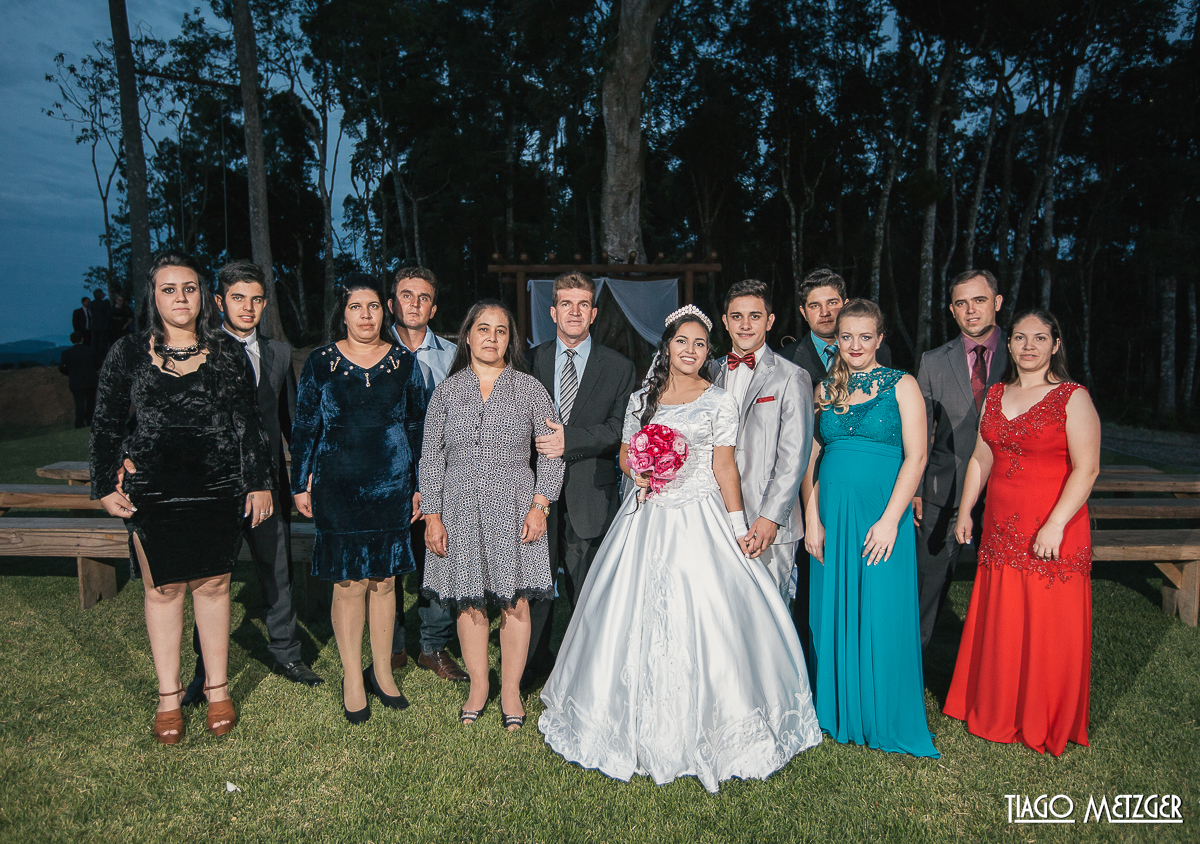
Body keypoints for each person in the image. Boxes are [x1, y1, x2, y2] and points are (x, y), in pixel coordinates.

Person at [539, 305, 822, 793]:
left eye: (699, 344)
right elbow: (627, 451)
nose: (690, 351)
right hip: (647, 513)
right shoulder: (641, 400)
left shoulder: (718, 402)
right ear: (666, 346)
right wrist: (640, 472)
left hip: (701, 517)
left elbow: (725, 469)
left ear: (706, 351)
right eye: (681, 342)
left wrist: (738, 526)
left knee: (712, 614)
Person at [90, 250, 273, 744]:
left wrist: (257, 482)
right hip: (153, 490)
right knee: (163, 589)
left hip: (217, 487)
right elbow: (105, 424)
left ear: (202, 295)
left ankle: (217, 689)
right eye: (169, 289)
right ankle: (168, 697)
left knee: (213, 588)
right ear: (153, 296)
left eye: (189, 288)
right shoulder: (127, 353)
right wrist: (105, 483)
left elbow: (248, 424)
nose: (180, 298)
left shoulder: (228, 351)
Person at [943, 309, 1100, 756]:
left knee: (1048, 622)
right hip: (1000, 527)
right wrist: (966, 510)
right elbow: (980, 460)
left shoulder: (1073, 397)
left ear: (1055, 344)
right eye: (1019, 338)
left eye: (1039, 338)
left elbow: (1087, 470)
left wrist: (1055, 523)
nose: (1028, 346)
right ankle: (998, 706)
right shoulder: (995, 394)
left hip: (1054, 525)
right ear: (1007, 344)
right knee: (1005, 615)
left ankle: (1041, 714)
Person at [165, 261, 321, 705]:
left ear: (264, 303)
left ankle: (287, 652)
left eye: (255, 299)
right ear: (219, 302)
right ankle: (204, 670)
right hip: (214, 485)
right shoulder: (201, 351)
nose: (247, 307)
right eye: (237, 298)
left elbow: (289, 419)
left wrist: (303, 473)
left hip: (268, 482)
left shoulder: (276, 352)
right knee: (209, 578)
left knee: (277, 569)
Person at [419, 300, 564, 731]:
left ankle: (511, 690)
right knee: (469, 600)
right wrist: (432, 514)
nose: (491, 337)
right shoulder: (447, 391)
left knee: (515, 599)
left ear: (510, 339)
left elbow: (551, 453)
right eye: (483, 329)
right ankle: (479, 685)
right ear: (468, 335)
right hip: (459, 508)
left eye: (501, 331)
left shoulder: (530, 389)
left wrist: (541, 504)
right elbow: (431, 457)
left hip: (515, 506)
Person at [801, 299, 937, 757]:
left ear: (880, 339)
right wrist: (811, 518)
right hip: (832, 518)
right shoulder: (824, 389)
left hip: (881, 519)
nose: (855, 345)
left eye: (865, 336)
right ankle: (836, 711)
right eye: (846, 336)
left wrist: (890, 521)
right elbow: (812, 459)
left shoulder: (903, 385)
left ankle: (882, 715)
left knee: (881, 612)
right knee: (829, 614)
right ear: (835, 339)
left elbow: (916, 457)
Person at [290, 276, 427, 724]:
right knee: (348, 583)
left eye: (372, 307)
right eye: (356, 306)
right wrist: (298, 483)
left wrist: (419, 485)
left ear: (383, 312)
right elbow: (306, 426)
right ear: (343, 312)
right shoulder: (320, 363)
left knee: (384, 581)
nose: (366, 315)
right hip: (338, 486)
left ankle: (383, 672)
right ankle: (352, 677)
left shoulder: (404, 364)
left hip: (391, 485)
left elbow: (417, 429)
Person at [523, 272, 638, 689]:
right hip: (534, 495)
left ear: (593, 313)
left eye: (582, 304)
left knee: (587, 588)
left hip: (591, 492)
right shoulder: (529, 361)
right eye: (566, 304)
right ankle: (532, 667)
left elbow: (619, 428)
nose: (574, 312)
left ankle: (590, 676)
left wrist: (567, 440)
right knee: (533, 588)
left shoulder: (620, 366)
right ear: (553, 311)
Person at [779, 269, 891, 642]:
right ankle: (811, 671)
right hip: (800, 489)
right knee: (808, 586)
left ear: (845, 305)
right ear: (803, 311)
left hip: (861, 492)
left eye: (832, 303)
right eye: (815, 305)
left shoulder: (879, 355)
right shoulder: (787, 360)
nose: (824, 312)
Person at [912, 270, 1008, 650]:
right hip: (942, 491)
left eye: (979, 300)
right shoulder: (934, 361)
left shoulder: (1023, 356)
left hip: (1006, 491)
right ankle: (910, 673)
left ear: (997, 302)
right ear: (952, 310)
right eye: (961, 303)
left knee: (1004, 591)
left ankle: (994, 676)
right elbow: (919, 430)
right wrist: (917, 489)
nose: (971, 310)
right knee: (926, 589)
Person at [386, 267, 467, 682]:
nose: (414, 304)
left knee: (438, 558)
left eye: (423, 298)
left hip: (441, 478)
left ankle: (433, 646)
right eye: (406, 295)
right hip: (386, 477)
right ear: (391, 303)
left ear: (433, 307)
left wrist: (431, 485)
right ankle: (393, 647)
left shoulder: (454, 356)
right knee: (388, 566)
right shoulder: (374, 352)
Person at [710, 278, 813, 603]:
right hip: (715, 516)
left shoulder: (792, 376)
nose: (745, 324)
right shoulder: (709, 373)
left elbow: (795, 455)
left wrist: (770, 518)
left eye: (755, 316)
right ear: (725, 321)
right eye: (736, 316)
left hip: (767, 521)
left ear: (769, 321)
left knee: (770, 614)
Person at [59, 332, 99, 428]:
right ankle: (90, 421)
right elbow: (98, 363)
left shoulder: (67, 353)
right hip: (90, 380)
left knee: (79, 403)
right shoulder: (90, 350)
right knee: (91, 402)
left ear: (71, 340)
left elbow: (62, 368)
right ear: (82, 339)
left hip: (76, 381)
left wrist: (70, 373)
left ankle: (79, 423)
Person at [89, 288, 114, 359]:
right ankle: (102, 357)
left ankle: (94, 356)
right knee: (102, 342)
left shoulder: (91, 304)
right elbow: (108, 314)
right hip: (103, 326)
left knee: (94, 342)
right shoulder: (104, 304)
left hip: (94, 325)